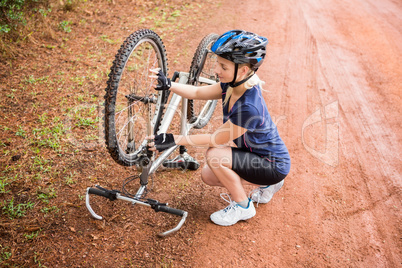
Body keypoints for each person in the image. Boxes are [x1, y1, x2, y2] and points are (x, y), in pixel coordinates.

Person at [148, 30, 291, 226]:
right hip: (258, 156)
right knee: (209, 174)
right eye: (217, 63)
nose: (216, 70)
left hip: (272, 164)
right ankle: (267, 184)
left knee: (215, 155)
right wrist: (169, 85)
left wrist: (175, 139)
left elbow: (216, 139)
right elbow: (198, 91)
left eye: (223, 66)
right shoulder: (232, 85)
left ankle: (243, 207)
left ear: (243, 70)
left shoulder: (249, 107)